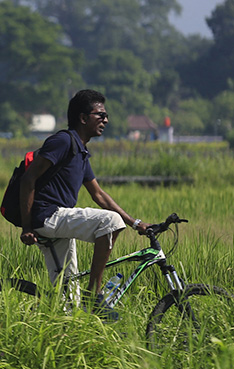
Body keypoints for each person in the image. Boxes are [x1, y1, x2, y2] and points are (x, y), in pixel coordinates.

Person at [19, 89, 148, 315]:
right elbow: (28, 178)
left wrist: (135, 223)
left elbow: (98, 194)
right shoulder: (62, 142)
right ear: (83, 118)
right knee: (110, 222)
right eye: (100, 115)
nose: (106, 120)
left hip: (58, 222)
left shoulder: (80, 151)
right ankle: (95, 294)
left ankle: (57, 336)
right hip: (48, 216)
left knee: (69, 305)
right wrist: (27, 226)